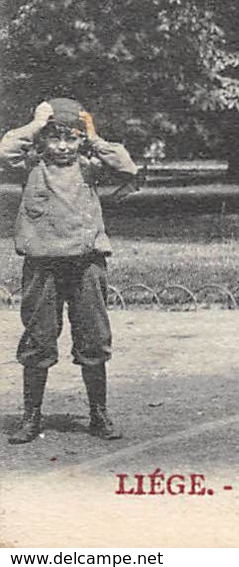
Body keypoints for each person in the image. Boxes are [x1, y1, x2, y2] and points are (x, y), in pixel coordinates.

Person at [3, 98, 140, 444]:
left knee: (93, 338)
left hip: (86, 264)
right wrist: (35, 124)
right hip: (42, 265)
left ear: (81, 141)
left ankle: (99, 414)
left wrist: (93, 136)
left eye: (72, 138)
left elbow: (125, 166)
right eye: (54, 138)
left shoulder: (89, 167)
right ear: (42, 141)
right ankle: (31, 417)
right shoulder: (31, 166)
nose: (63, 146)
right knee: (37, 338)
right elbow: (5, 149)